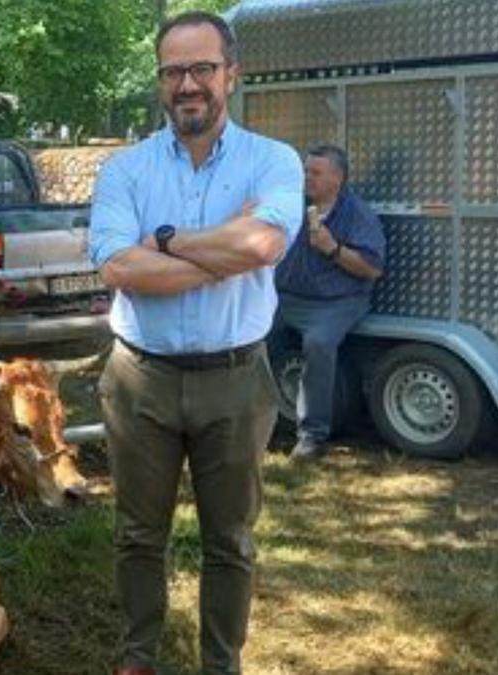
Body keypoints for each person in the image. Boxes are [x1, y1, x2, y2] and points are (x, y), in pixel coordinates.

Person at [87, 12, 303, 675]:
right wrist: (223, 249)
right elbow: (119, 269)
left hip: (236, 378)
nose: (188, 84)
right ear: (160, 82)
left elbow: (265, 243)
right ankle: (137, 656)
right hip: (139, 378)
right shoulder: (125, 170)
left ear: (231, 75)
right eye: (173, 71)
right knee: (136, 535)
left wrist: (169, 240)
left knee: (231, 539)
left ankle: (220, 663)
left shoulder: (275, 160)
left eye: (202, 68)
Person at [272, 144, 385, 460]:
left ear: (337, 177)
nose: (307, 178)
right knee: (249, 337)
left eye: (315, 172)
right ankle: (255, 422)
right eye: (306, 171)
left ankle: (312, 436)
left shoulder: (357, 214)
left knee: (319, 343)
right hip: (287, 299)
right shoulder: (293, 206)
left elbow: (372, 268)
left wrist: (332, 248)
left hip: (337, 303)